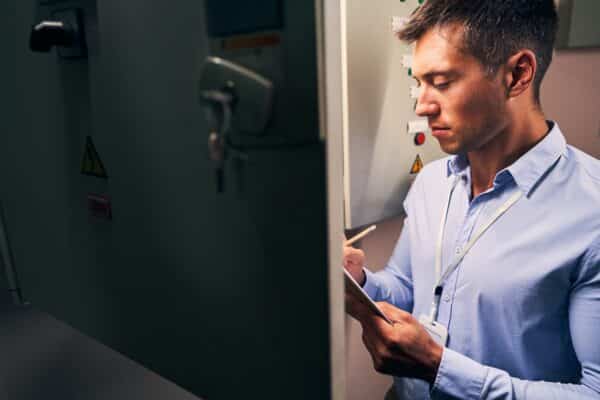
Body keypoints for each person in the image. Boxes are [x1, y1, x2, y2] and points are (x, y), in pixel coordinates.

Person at [343, 1, 600, 399]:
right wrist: (359, 281)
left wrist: (438, 367)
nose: (422, 105)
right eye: (419, 83)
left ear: (517, 74)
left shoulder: (592, 213)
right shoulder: (431, 182)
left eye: (442, 83)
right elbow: (408, 288)